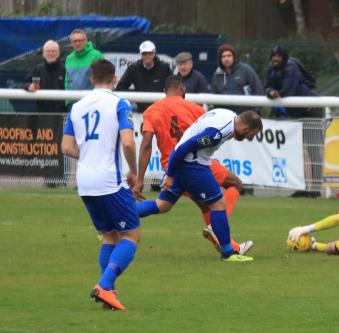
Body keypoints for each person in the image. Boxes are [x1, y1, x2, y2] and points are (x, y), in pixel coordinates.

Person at [134, 75, 253, 255]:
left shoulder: (151, 111)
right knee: (228, 191)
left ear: (165, 91)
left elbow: (146, 145)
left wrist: (140, 178)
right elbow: (201, 133)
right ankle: (228, 247)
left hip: (171, 164)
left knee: (164, 205)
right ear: (182, 88)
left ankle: (116, 217)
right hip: (192, 162)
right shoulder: (193, 107)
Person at [61, 59, 140, 310]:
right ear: (114, 79)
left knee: (109, 236)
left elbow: (66, 147)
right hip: (109, 179)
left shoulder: (76, 107)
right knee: (131, 235)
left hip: (84, 180)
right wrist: (134, 173)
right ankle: (105, 285)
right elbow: (128, 142)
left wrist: (88, 156)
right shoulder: (119, 103)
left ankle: (109, 294)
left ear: (91, 79)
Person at [264, 45, 322, 118]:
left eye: (279, 56)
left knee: (313, 129)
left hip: (311, 106)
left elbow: (288, 91)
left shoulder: (291, 67)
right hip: (295, 109)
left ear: (284, 57)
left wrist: (276, 94)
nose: (275, 58)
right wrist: (270, 92)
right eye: (273, 56)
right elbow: (267, 87)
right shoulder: (270, 68)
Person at [116, 40, 173, 112]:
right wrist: (135, 97)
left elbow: (172, 86)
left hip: (161, 110)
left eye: (150, 53)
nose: (147, 56)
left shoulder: (164, 67)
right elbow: (121, 87)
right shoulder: (134, 68)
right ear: (141, 54)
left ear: (154, 53)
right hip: (141, 111)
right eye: (144, 54)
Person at [210, 43, 263, 114]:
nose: (226, 58)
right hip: (225, 117)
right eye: (223, 56)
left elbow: (258, 90)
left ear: (234, 57)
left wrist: (254, 112)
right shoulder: (216, 75)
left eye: (229, 56)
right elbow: (213, 97)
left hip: (245, 116)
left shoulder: (246, 69)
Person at [24, 40, 66, 113]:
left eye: (53, 51)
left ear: (58, 53)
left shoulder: (64, 69)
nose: (51, 53)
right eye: (48, 51)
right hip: (42, 113)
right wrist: (29, 86)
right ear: (43, 54)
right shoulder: (38, 69)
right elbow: (25, 83)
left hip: (61, 113)